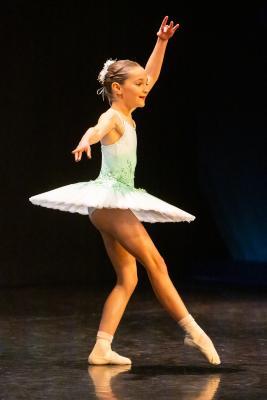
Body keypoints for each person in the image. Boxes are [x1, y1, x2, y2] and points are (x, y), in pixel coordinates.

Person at [29, 16, 221, 366]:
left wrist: (162, 43)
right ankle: (193, 331)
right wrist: (84, 141)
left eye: (145, 84)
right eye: (138, 84)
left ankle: (101, 347)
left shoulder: (129, 114)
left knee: (128, 277)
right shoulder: (114, 117)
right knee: (156, 263)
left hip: (109, 205)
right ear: (119, 89)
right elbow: (96, 127)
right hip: (110, 203)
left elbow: (153, 74)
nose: (145, 88)